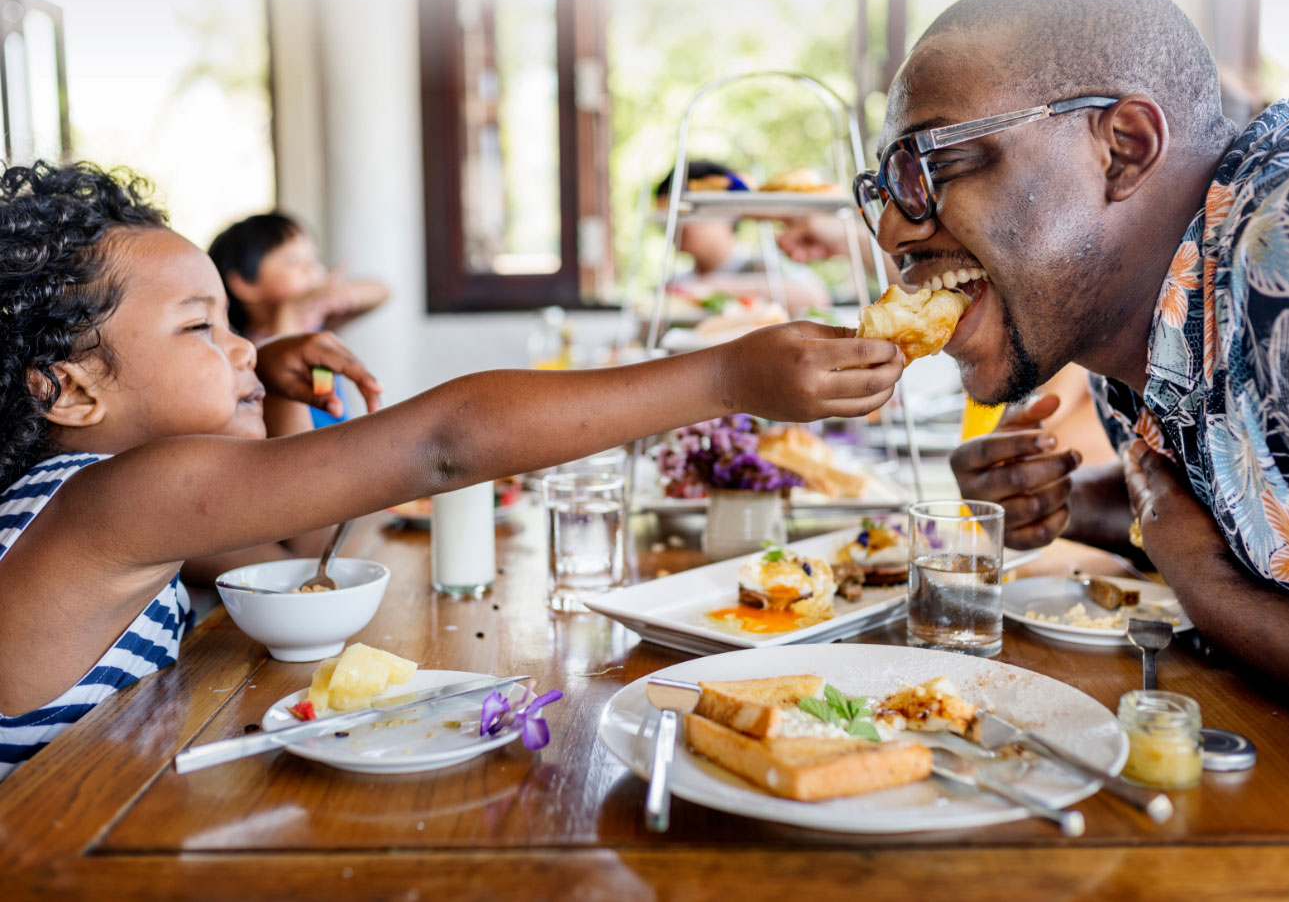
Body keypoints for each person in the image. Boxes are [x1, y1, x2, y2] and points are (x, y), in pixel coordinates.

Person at [0, 161, 905, 778]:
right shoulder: (111, 503)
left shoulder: (110, 503)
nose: (242, 349)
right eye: (203, 328)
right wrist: (724, 375)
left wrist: (267, 384)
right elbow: (442, 443)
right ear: (69, 391)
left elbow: (306, 546)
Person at [862, 0, 1289, 696]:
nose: (892, 227)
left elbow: (1204, 559)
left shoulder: (1288, 253)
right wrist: (1084, 505)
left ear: (1123, 148)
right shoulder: (1134, 329)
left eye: (935, 161)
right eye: (883, 189)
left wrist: (1207, 588)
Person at [209, 212, 390, 429]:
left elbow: (382, 291)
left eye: (313, 258)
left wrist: (341, 293)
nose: (311, 268)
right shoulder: (248, 354)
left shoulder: (315, 325)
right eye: (295, 261)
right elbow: (284, 350)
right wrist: (290, 310)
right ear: (244, 284)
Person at [655, 160, 832, 315]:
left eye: (685, 213)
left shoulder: (763, 264)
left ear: (727, 211)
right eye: (668, 217)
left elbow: (816, 297)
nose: (675, 226)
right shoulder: (677, 283)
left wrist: (713, 287)